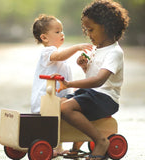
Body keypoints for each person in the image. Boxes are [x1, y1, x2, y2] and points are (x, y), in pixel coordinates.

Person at [55, 0, 129, 159]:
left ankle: (101, 141)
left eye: (91, 29)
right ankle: (75, 146)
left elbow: (99, 81)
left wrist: (69, 84)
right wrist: (85, 67)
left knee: (67, 108)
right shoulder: (98, 49)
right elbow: (93, 76)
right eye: (86, 30)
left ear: (107, 28)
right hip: (93, 95)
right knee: (59, 104)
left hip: (105, 99)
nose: (88, 34)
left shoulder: (114, 52)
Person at [31, 14, 93, 157]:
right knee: (51, 123)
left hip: (57, 96)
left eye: (62, 30)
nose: (62, 34)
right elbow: (60, 56)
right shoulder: (48, 52)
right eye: (57, 31)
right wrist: (76, 47)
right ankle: (49, 145)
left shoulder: (57, 53)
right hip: (46, 97)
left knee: (58, 123)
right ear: (44, 38)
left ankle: (58, 147)